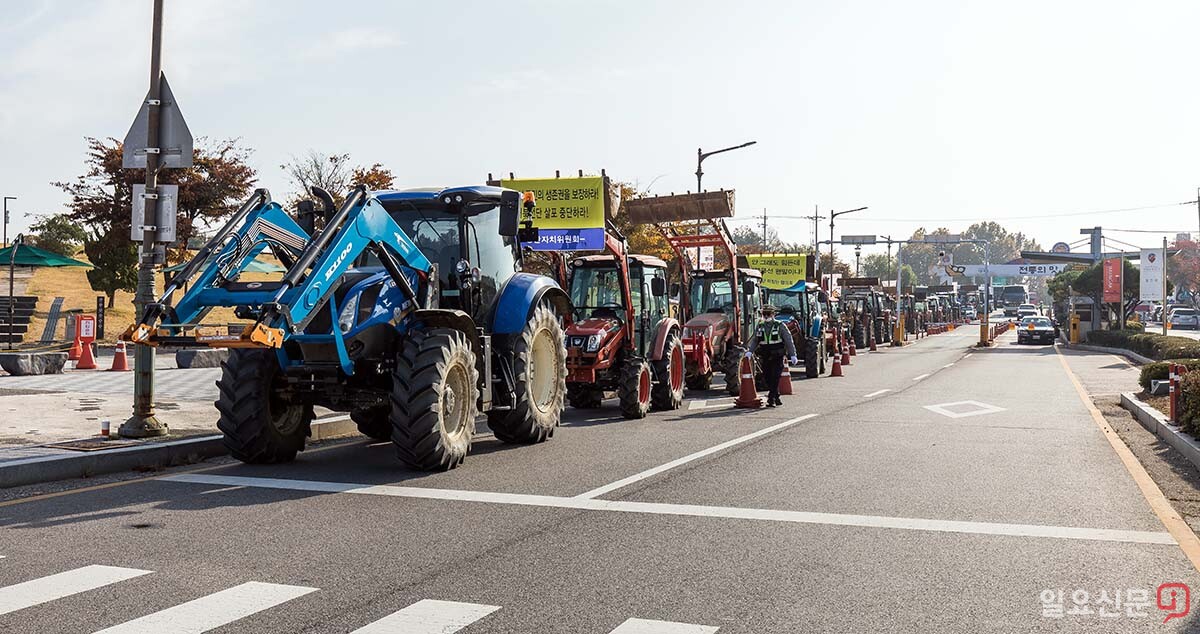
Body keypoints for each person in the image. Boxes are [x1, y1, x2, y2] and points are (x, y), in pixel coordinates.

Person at [745, 304, 798, 407]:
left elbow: (788, 340)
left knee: (776, 376)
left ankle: (771, 398)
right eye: (764, 314)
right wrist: (750, 351)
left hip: (777, 355)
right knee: (767, 376)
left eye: (768, 314)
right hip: (765, 354)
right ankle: (776, 396)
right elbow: (756, 340)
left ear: (773, 314)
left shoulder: (780, 325)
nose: (766, 316)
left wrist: (793, 355)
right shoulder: (760, 326)